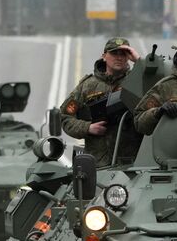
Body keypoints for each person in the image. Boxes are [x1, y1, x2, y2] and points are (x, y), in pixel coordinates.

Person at [59, 37, 143, 166]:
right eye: (114, 53)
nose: (119, 57)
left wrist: (138, 61)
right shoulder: (88, 86)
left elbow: (161, 83)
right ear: (104, 56)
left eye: (124, 54)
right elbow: (66, 116)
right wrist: (88, 128)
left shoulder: (137, 81)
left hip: (132, 163)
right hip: (98, 164)